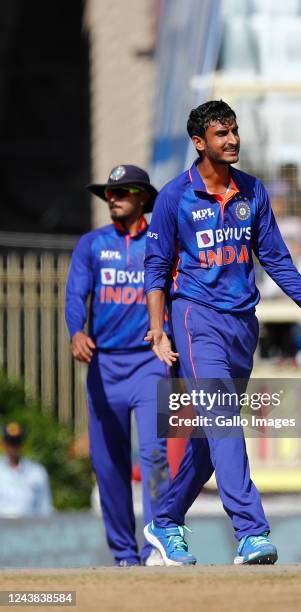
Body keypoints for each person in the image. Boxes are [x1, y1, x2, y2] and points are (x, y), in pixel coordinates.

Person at [142, 100, 301, 566]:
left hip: (242, 323)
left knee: (209, 436)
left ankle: (165, 520)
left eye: (235, 131)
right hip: (194, 317)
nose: (233, 140)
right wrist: (158, 330)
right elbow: (157, 267)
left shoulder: (252, 191)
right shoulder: (174, 197)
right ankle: (251, 532)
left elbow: (277, 259)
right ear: (200, 143)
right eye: (222, 134)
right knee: (223, 418)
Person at [65, 165, 170, 567]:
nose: (113, 197)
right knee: (108, 464)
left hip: (149, 363)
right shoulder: (92, 245)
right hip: (104, 365)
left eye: (123, 190)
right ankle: (125, 555)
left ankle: (159, 545)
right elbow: (77, 295)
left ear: (143, 196)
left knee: (156, 455)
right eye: (109, 192)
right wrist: (77, 331)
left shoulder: (160, 243)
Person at [0, 422, 53, 518]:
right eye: (10, 443)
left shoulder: (37, 472)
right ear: (4, 444)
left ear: (22, 444)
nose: (13, 448)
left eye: (16, 443)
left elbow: (44, 509)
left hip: (28, 529)